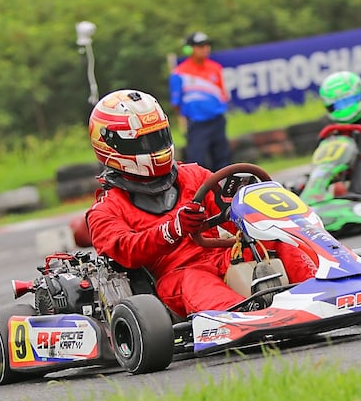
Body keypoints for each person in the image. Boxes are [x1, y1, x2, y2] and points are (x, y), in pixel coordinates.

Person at [85, 89, 317, 319]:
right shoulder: (106, 209)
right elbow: (127, 251)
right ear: (111, 146)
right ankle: (246, 315)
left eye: (158, 137)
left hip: (223, 257)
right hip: (177, 276)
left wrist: (257, 216)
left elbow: (232, 217)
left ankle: (325, 286)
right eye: (144, 142)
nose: (154, 148)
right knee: (195, 280)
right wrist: (173, 229)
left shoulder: (193, 176)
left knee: (281, 243)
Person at [169, 31, 232, 171]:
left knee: (223, 160)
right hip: (197, 124)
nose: (205, 49)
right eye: (200, 46)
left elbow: (223, 94)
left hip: (217, 121)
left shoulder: (215, 68)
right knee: (198, 162)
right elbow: (176, 103)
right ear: (189, 49)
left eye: (206, 45)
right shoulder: (179, 74)